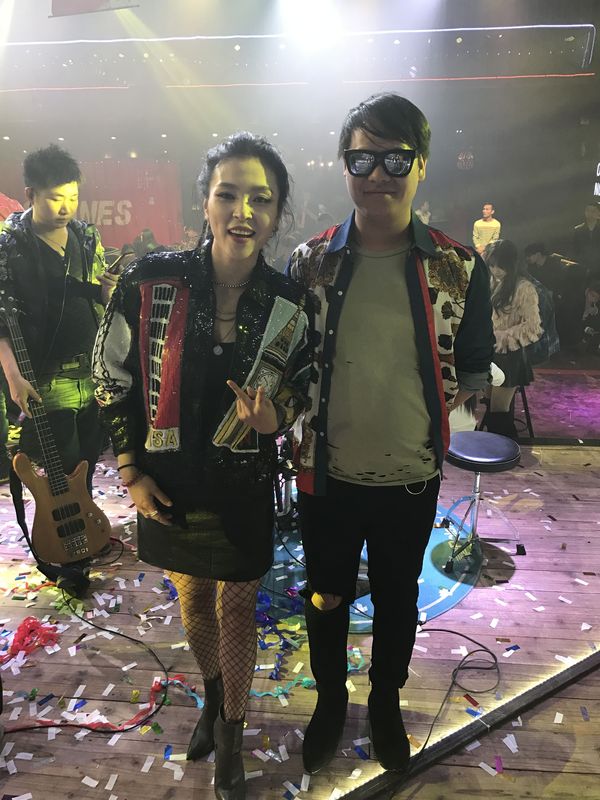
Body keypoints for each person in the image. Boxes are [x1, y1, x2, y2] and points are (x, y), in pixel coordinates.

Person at [93, 132, 312, 800]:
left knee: (238, 607)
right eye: (229, 194)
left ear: (277, 213)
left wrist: (275, 418)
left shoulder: (291, 302)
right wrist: (130, 471)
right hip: (169, 484)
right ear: (206, 202)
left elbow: (303, 387)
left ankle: (232, 736)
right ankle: (214, 700)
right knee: (192, 599)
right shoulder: (148, 280)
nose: (244, 211)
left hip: (244, 484)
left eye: (261, 199)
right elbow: (109, 375)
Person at [287, 92, 494, 775]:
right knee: (326, 595)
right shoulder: (309, 263)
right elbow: (283, 363)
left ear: (422, 165)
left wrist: (444, 423)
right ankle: (329, 700)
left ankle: (384, 699)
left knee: (399, 596)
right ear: (344, 165)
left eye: (396, 159)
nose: (378, 174)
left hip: (410, 474)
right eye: (362, 159)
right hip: (325, 473)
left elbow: (474, 367)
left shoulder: (459, 266)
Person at [0, 144, 117, 496]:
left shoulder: (86, 236)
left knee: (87, 468)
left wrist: (108, 292)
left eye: (73, 197)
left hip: (92, 374)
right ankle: (67, 529)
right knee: (61, 478)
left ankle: (83, 520)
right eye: (55, 199)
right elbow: (2, 321)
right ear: (30, 194)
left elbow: (100, 303)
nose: (66, 207)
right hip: (46, 380)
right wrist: (14, 377)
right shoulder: (9, 246)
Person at [481, 239, 542, 438]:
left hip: (510, 355)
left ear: (511, 264)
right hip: (490, 352)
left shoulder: (524, 288)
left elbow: (533, 326)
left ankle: (507, 450)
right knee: (491, 407)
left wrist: (503, 336)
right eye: (492, 265)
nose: (495, 270)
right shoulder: (492, 282)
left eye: (500, 265)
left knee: (498, 412)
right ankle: (495, 448)